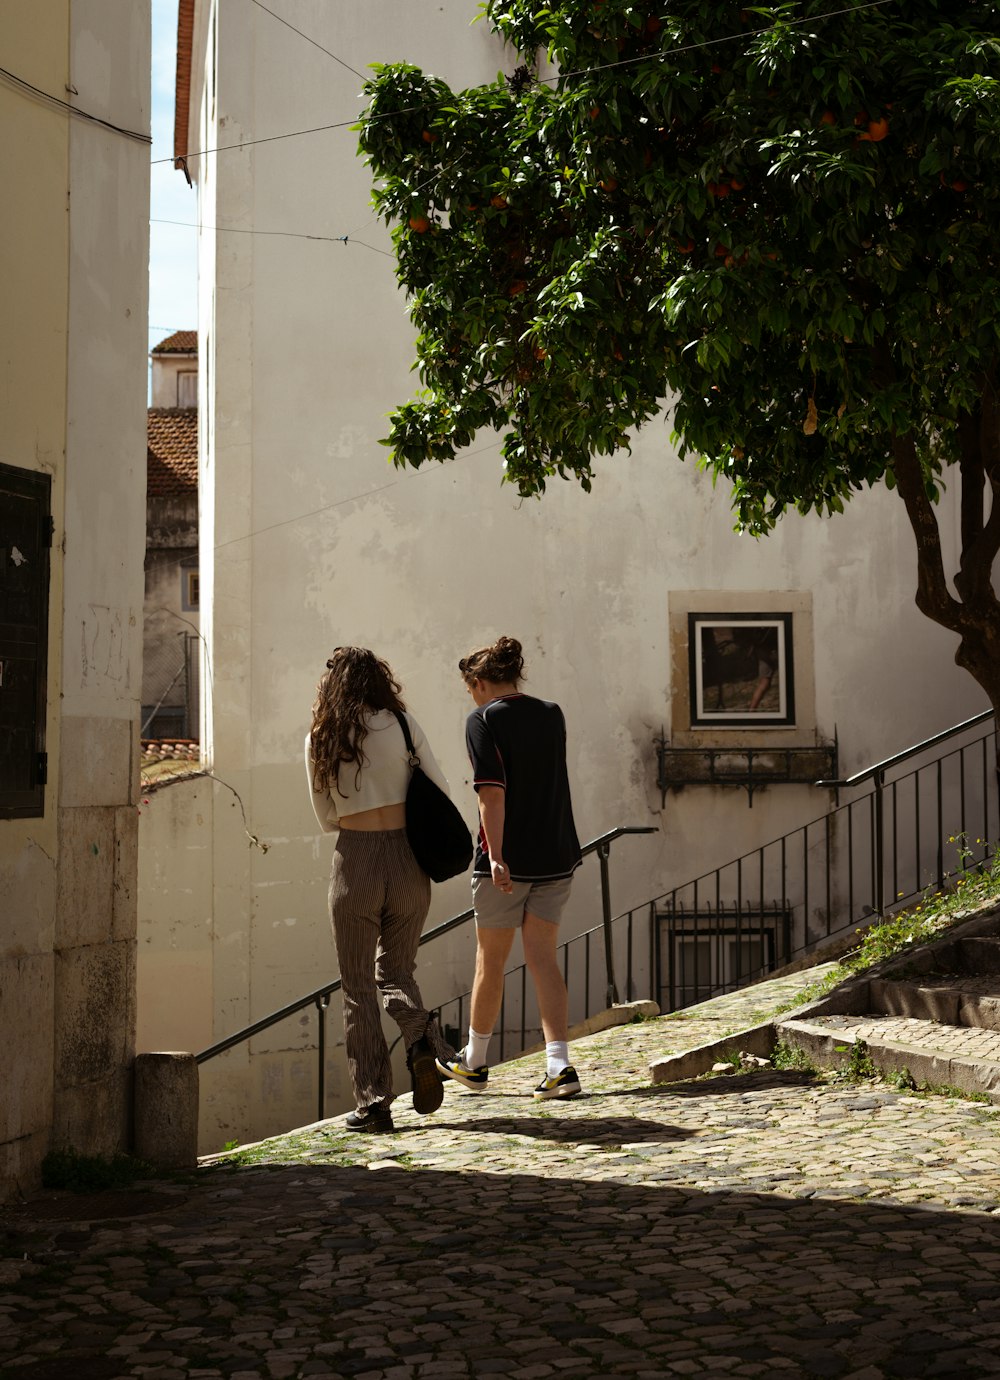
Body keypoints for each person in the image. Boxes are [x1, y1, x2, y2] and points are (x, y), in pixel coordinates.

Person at [306, 646, 455, 1134]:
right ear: (380, 680)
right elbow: (439, 788)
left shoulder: (322, 739)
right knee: (397, 972)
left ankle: (373, 1103)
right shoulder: (403, 725)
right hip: (410, 860)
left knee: (357, 988)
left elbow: (327, 817)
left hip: (357, 860)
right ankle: (423, 1038)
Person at [436, 636, 583, 1100]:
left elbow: (491, 793)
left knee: (491, 961)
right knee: (543, 958)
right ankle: (559, 1067)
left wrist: (496, 855)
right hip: (557, 855)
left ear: (479, 683)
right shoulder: (552, 713)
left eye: (471, 688)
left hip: (508, 863)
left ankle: (475, 1063)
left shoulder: (482, 719)